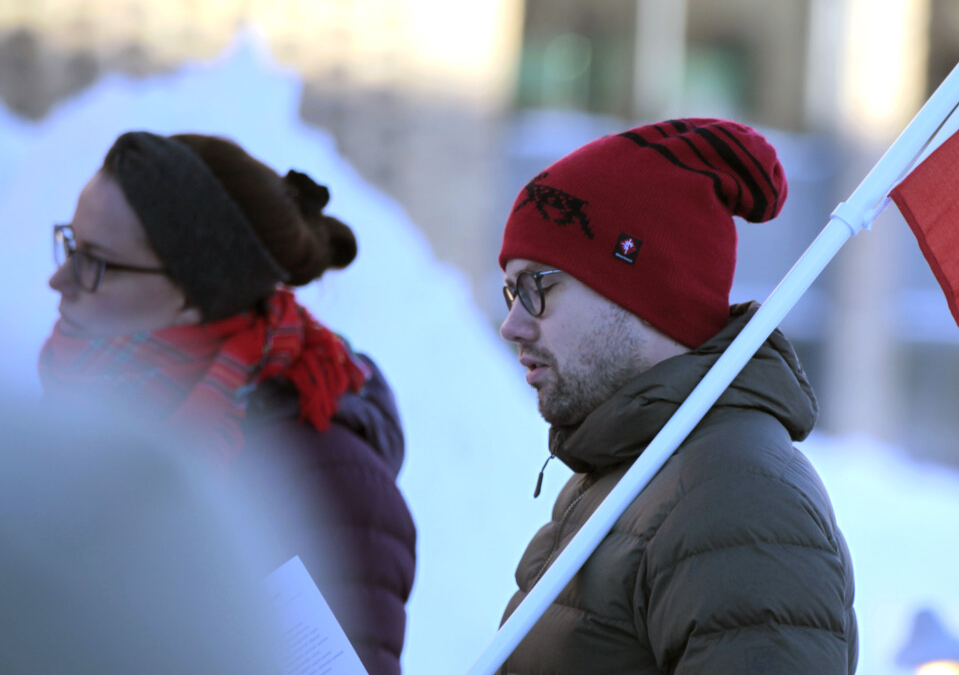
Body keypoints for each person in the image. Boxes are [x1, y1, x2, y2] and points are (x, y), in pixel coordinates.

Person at [40, 131, 417, 675]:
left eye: (96, 262)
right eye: (70, 245)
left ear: (196, 293)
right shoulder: (81, 422)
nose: (60, 280)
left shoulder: (324, 484)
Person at [496, 118, 857, 673]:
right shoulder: (631, 472)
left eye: (535, 287)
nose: (513, 324)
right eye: (508, 291)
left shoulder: (736, 500)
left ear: (642, 291)